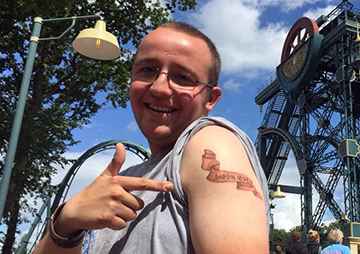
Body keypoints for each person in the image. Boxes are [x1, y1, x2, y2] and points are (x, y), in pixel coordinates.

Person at [33, 22, 269, 253]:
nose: (159, 88)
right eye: (147, 70)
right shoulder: (122, 181)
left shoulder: (211, 141)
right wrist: (66, 224)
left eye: (183, 77)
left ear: (211, 99)